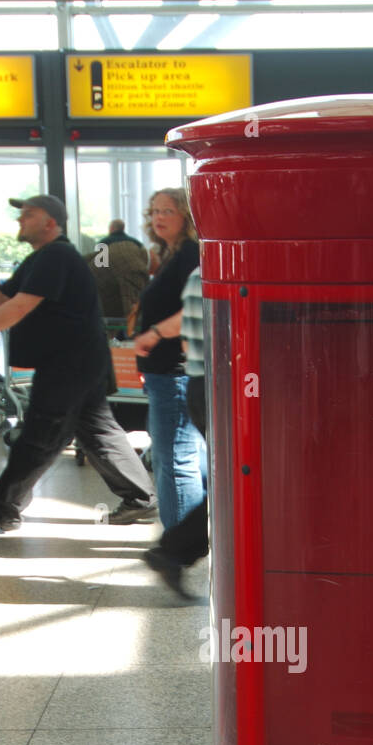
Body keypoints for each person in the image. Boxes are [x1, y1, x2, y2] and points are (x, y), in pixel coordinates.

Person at [0, 193, 157, 533]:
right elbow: (1, 296)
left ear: (50, 223)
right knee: (98, 430)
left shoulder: (57, 256)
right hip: (80, 361)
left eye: (28, 215)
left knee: (40, 434)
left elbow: (19, 307)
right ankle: (140, 499)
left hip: (69, 364)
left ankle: (2, 508)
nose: (21, 220)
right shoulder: (40, 258)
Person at [133, 188, 206, 531]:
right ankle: (195, 535)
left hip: (174, 371)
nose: (158, 218)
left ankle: (178, 544)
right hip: (168, 372)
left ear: (187, 217)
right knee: (185, 456)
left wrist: (155, 333)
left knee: (175, 459)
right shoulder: (172, 253)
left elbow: (197, 306)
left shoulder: (190, 254)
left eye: (168, 211)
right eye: (154, 212)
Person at [144, 267, 208, 598]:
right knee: (239, 485)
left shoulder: (196, 271)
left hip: (199, 382)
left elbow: (186, 337)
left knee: (226, 480)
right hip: (214, 386)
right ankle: (173, 550)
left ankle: (174, 550)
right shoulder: (214, 270)